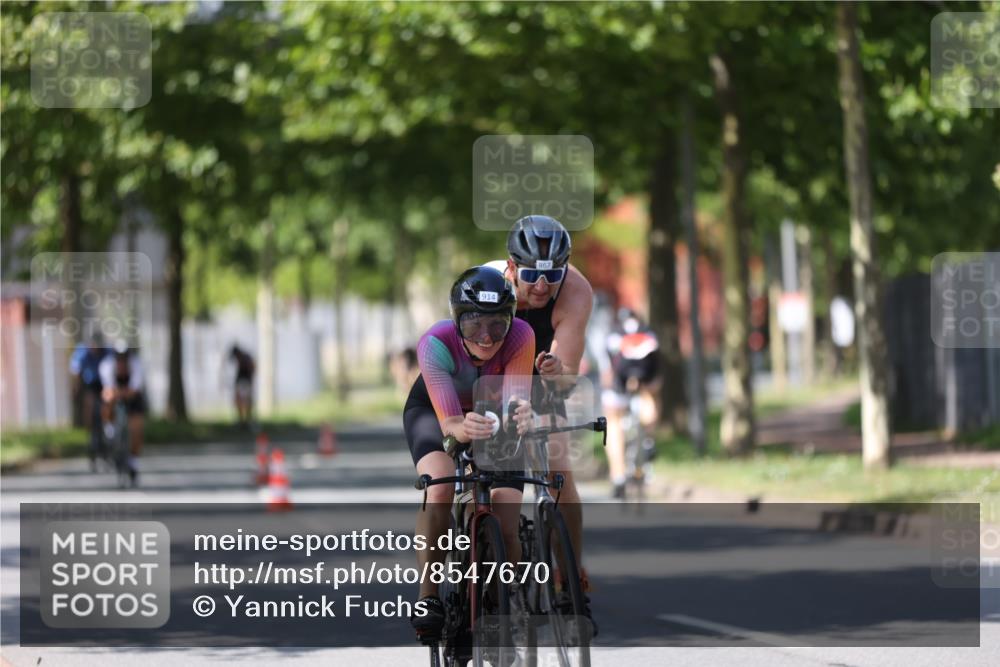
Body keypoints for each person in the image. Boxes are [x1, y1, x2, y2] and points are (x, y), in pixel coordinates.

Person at [404, 266, 534, 639]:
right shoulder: (435, 343)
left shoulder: (522, 336)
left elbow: (514, 399)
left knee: (506, 516)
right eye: (474, 325)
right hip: (435, 412)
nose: (487, 337)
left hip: (490, 413)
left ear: (511, 321)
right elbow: (450, 425)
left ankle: (505, 598)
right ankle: (429, 596)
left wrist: (521, 413)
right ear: (457, 320)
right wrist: (462, 428)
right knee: (440, 487)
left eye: (497, 325)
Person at [484, 214, 596, 623]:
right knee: (488, 477)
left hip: (545, 382)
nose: (542, 286)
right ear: (511, 267)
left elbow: (565, 379)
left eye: (553, 275)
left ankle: (569, 574)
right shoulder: (489, 284)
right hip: (494, 377)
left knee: (559, 472)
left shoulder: (576, 292)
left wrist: (555, 371)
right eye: (531, 274)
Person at [602, 308, 661, 499]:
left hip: (618, 384)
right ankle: (648, 441)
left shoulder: (613, 333)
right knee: (650, 401)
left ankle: (618, 476)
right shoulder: (648, 331)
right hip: (645, 380)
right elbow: (656, 368)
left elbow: (608, 370)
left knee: (613, 423)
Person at [99, 339, 148, 486]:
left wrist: (121, 393)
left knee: (136, 428)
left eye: (124, 357)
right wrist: (114, 395)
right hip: (115, 394)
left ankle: (133, 462)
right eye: (118, 358)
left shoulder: (136, 365)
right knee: (107, 401)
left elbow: (134, 390)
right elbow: (108, 390)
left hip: (132, 397)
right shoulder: (107, 366)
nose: (121, 361)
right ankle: (110, 428)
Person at [69, 332, 110, 470]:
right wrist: (76, 390)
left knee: (106, 412)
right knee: (90, 413)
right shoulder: (82, 351)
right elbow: (76, 371)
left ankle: (108, 439)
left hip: (104, 384)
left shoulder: (107, 351)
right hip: (89, 386)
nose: (96, 349)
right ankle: (92, 449)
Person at [228, 344, 256, 427]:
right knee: (239, 402)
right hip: (241, 382)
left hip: (245, 382)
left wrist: (250, 380)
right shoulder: (242, 358)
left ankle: (248, 420)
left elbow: (251, 369)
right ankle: (241, 421)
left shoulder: (245, 358)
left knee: (247, 402)